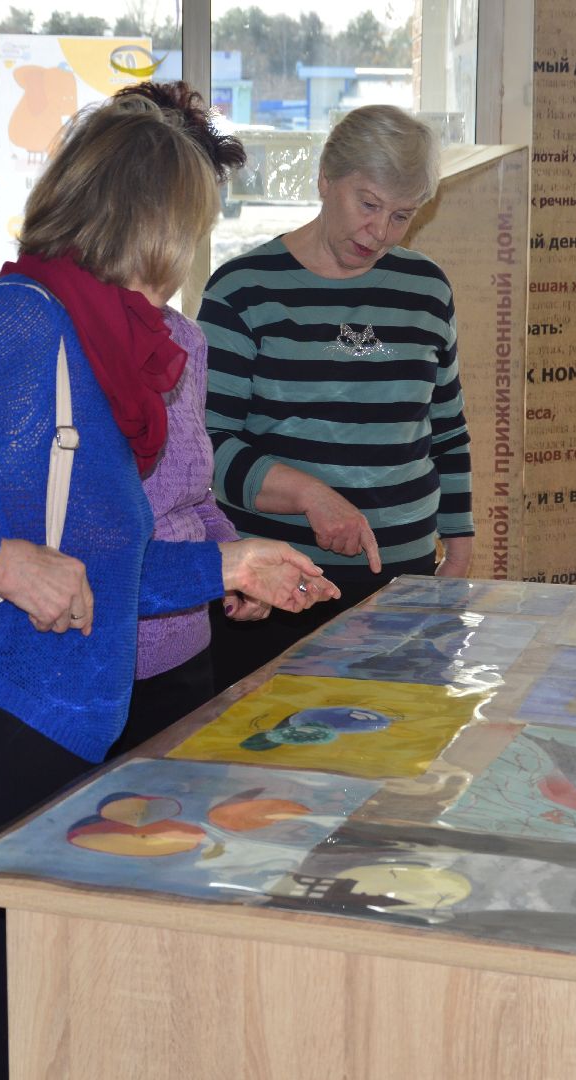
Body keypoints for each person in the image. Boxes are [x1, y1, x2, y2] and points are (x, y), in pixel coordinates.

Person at [0, 94, 338, 1080]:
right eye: (192, 226)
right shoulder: (18, 327)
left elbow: (90, 577)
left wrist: (224, 564)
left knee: (41, 1015)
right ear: (151, 219)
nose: (192, 252)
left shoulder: (104, 351)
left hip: (50, 727)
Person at [199, 104, 474, 692]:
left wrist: (460, 547)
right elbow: (207, 449)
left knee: (396, 758)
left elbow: (447, 430)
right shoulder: (242, 290)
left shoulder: (425, 289)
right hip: (275, 586)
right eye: (368, 204)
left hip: (405, 582)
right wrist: (310, 496)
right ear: (326, 179)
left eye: (402, 216)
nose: (379, 233)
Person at [103, 82, 262, 758]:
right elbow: (96, 548)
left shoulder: (185, 341)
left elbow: (192, 495)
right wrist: (224, 566)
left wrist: (240, 563)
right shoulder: (49, 333)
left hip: (185, 651)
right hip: (98, 662)